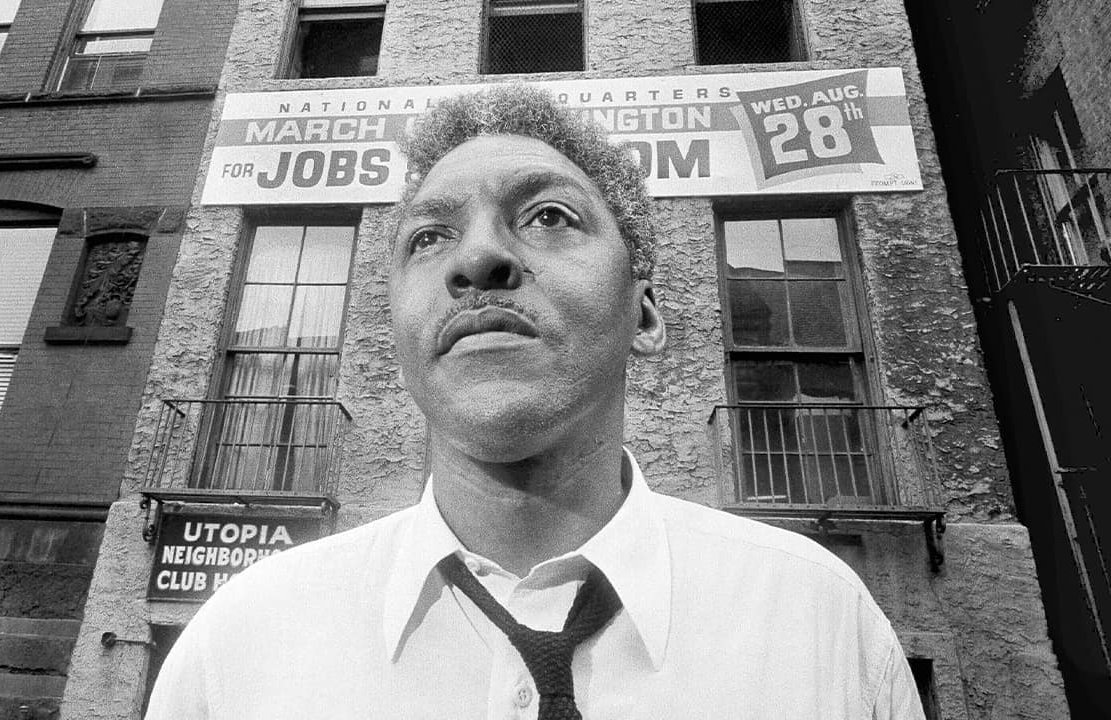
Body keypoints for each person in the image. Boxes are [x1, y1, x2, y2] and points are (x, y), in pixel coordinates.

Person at [145, 85, 925, 720]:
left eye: (549, 217)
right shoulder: (237, 647)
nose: (479, 258)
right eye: (428, 238)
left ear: (645, 315)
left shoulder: (823, 624)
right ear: (398, 332)